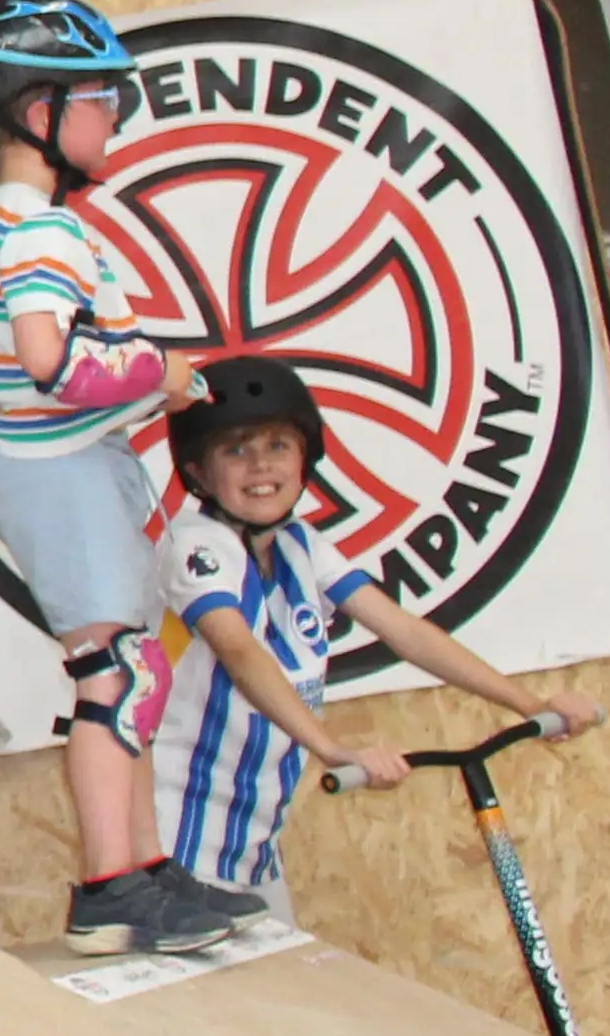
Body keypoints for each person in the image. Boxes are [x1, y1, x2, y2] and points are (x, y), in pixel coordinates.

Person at [0, 0, 254, 956]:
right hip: (57, 471)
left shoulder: (31, 220)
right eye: (100, 96)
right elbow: (51, 362)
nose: (115, 114)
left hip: (77, 465)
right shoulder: (34, 227)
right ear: (41, 116)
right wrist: (164, 372)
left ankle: (144, 871)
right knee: (112, 672)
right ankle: (112, 885)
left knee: (133, 668)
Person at [156, 354, 581, 914]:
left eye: (278, 446)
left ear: (305, 459)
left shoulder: (299, 545)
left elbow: (404, 631)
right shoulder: (195, 546)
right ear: (197, 473)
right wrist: (333, 746)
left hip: (251, 850)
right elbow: (239, 650)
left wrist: (532, 705)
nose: (260, 465)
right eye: (236, 450)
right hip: (178, 847)